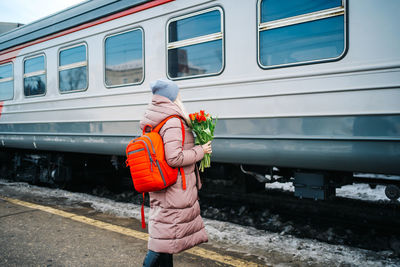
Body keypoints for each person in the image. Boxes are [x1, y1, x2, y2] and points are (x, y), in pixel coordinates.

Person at [140, 79, 211, 267]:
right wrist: (200, 151)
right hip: (174, 187)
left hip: (165, 183)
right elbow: (174, 158)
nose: (180, 96)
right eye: (177, 93)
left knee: (166, 238)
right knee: (161, 241)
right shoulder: (172, 120)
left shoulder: (156, 116)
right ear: (171, 96)